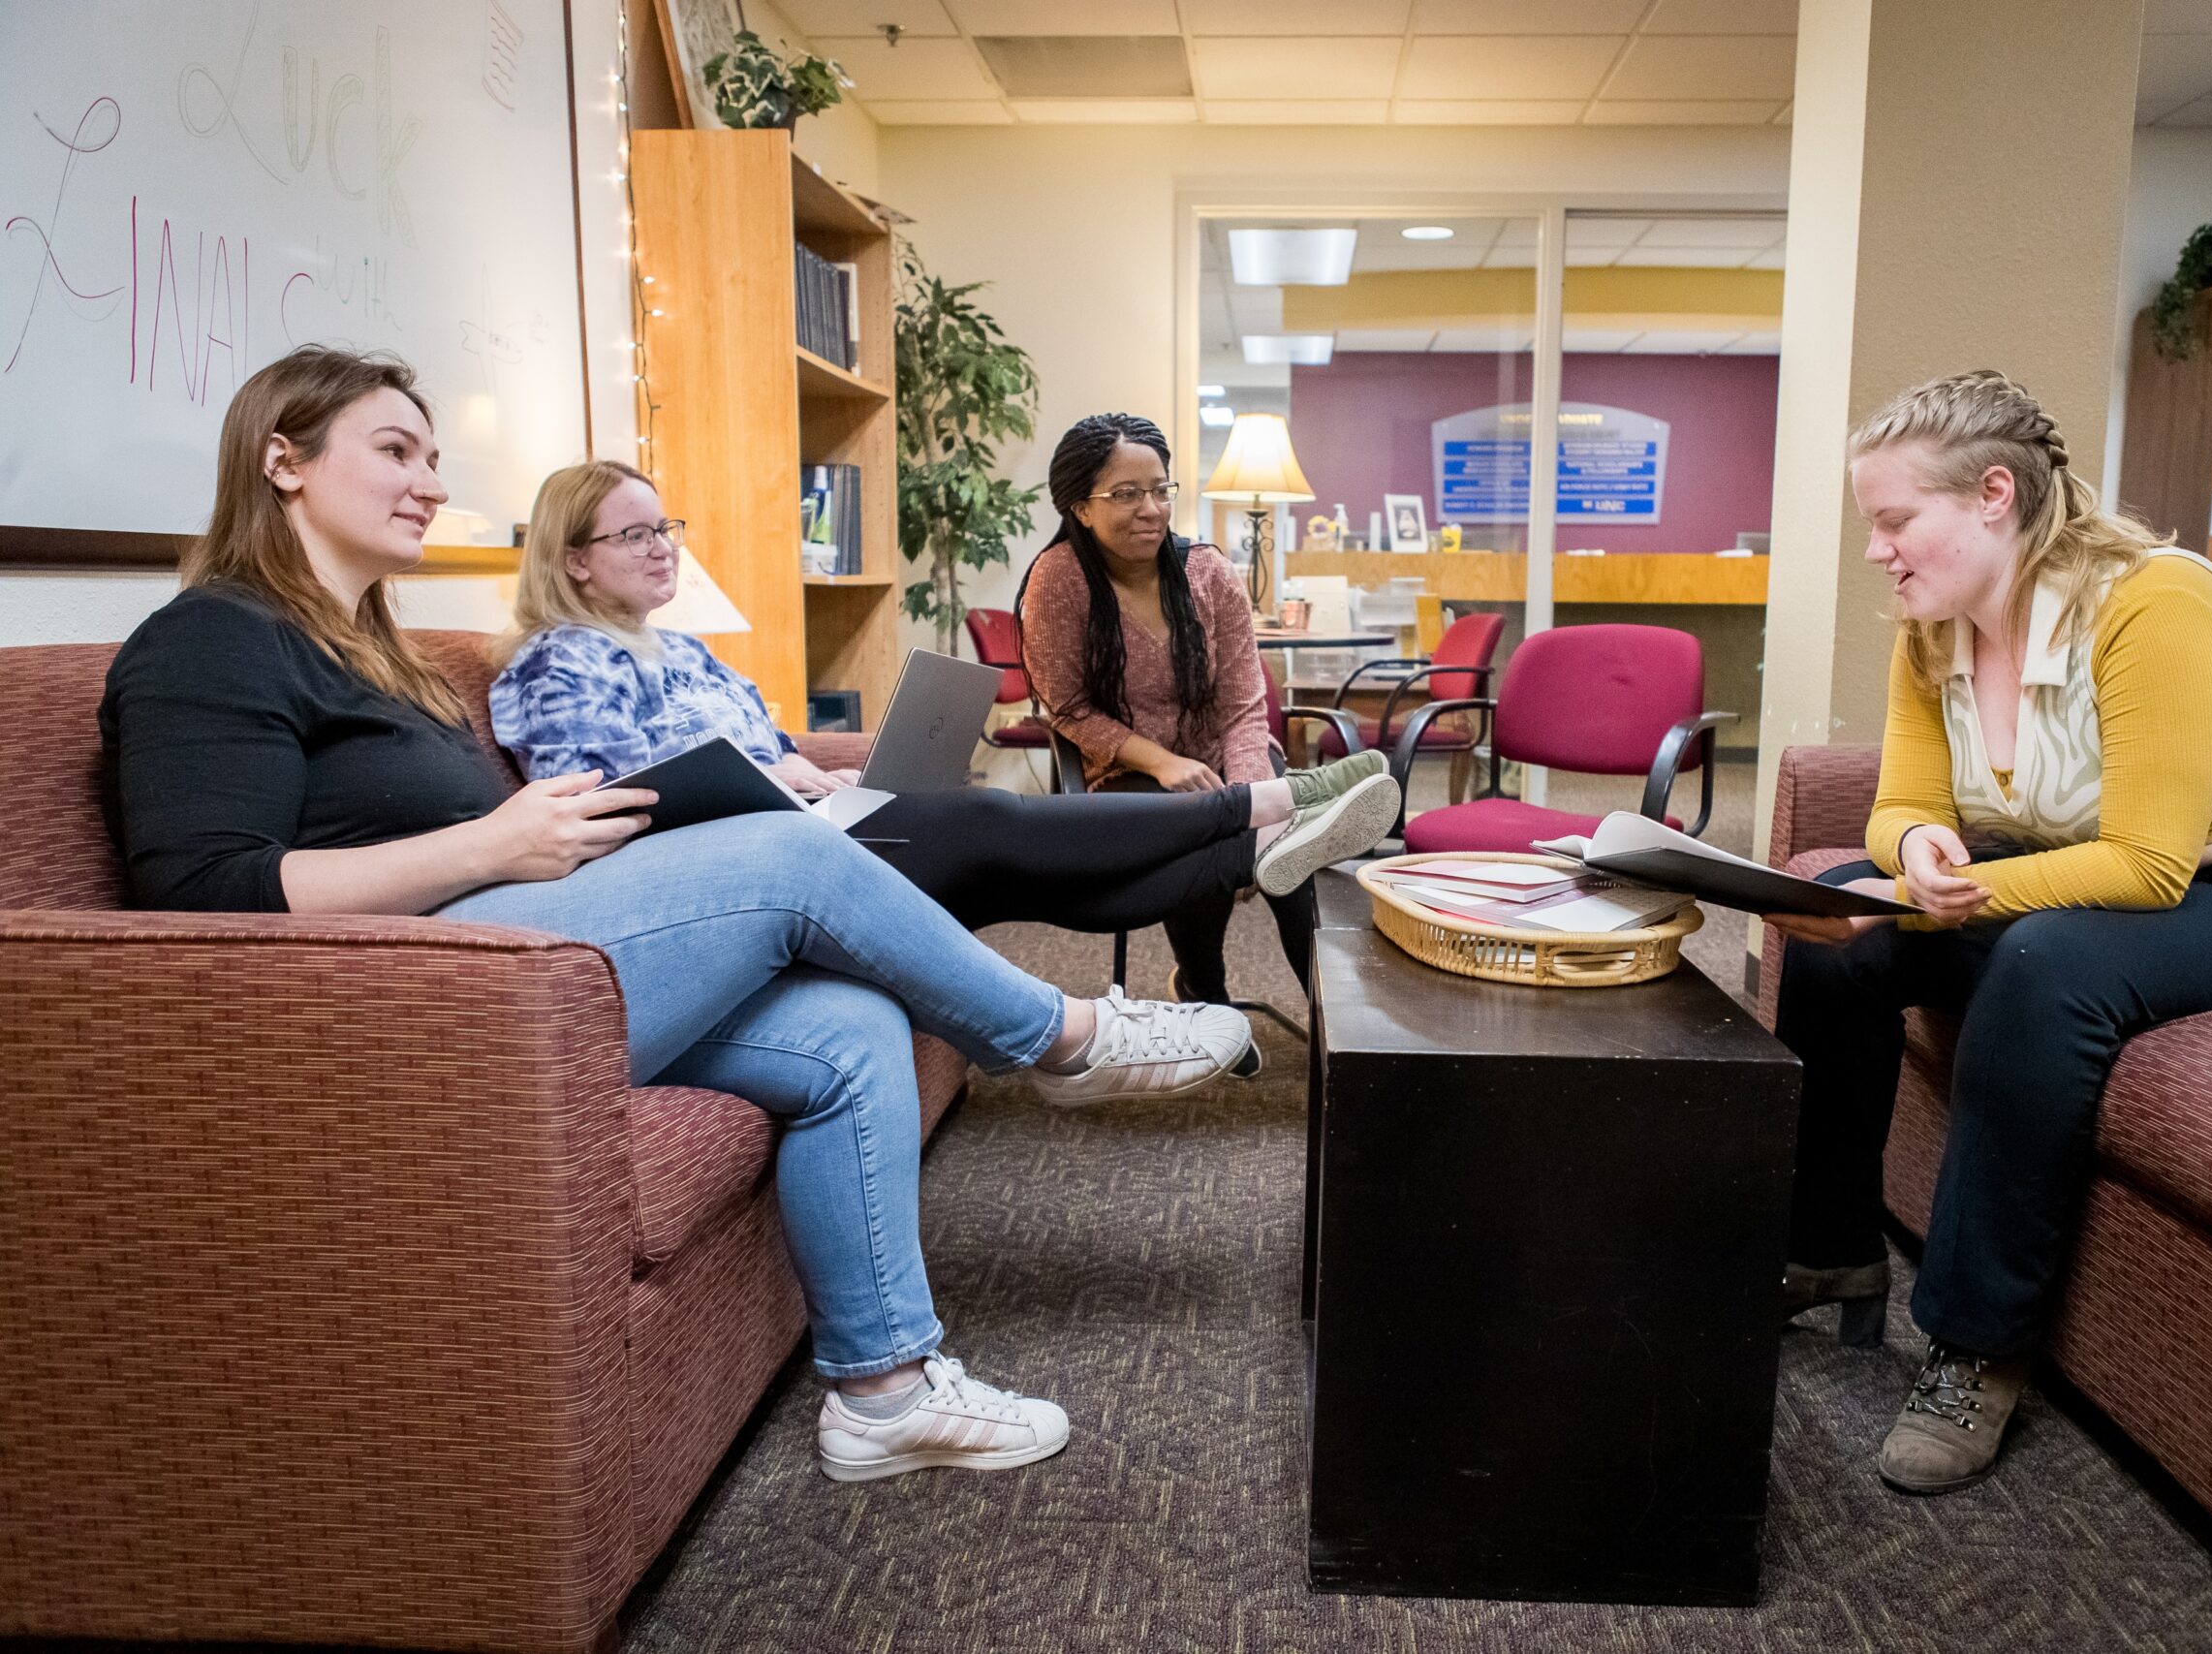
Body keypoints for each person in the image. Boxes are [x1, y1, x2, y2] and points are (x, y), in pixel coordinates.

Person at [98, 345, 1262, 1486]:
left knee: (849, 1026)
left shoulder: (372, 653)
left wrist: (520, 843)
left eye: (433, 458)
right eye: (396, 452)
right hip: (419, 1006)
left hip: (513, 959)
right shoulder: (211, 639)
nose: (431, 484)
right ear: (283, 462)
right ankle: (1060, 1036)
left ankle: (885, 1395)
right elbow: (203, 896)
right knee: (789, 851)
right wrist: (491, 842)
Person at [1764, 369, 2212, 1496]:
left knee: (2044, 957)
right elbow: (1900, 804)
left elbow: (2148, 865)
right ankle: (1827, 1250)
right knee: (1841, 927)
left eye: (1895, 520)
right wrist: (1912, 850)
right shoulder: (1932, 627)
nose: (1877, 550)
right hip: (2102, 892)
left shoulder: (2154, 602)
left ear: (1993, 495)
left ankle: (1977, 1348)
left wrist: (1935, 888)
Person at [486, 460, 1399, 950]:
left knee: (1014, 873)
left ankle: (1252, 845)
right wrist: (776, 779)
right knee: (990, 820)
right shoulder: (560, 662)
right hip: (739, 859)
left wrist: (793, 761)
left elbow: (763, 741)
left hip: (800, 824)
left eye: (666, 527)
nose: (663, 547)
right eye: (635, 534)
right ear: (574, 559)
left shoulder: (683, 648)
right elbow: (609, 804)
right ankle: (1271, 805)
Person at [1018, 413, 1319, 1013]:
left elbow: (1243, 706)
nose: (1151, 509)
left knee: (1292, 847)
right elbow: (1069, 709)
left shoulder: (1209, 572)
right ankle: (1204, 993)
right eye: (1126, 494)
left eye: (1160, 490)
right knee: (1196, 832)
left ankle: (1330, 1020)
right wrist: (1161, 762)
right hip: (1127, 769)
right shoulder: (1058, 581)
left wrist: (1251, 801)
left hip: (1227, 754)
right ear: (1080, 508)